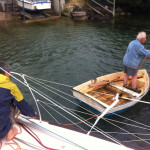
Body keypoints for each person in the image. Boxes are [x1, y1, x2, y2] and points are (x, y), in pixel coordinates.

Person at [0, 61, 36, 141]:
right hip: (1, 132)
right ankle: (9, 132)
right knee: (12, 102)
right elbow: (21, 103)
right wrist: (31, 113)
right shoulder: (11, 86)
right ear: (6, 74)